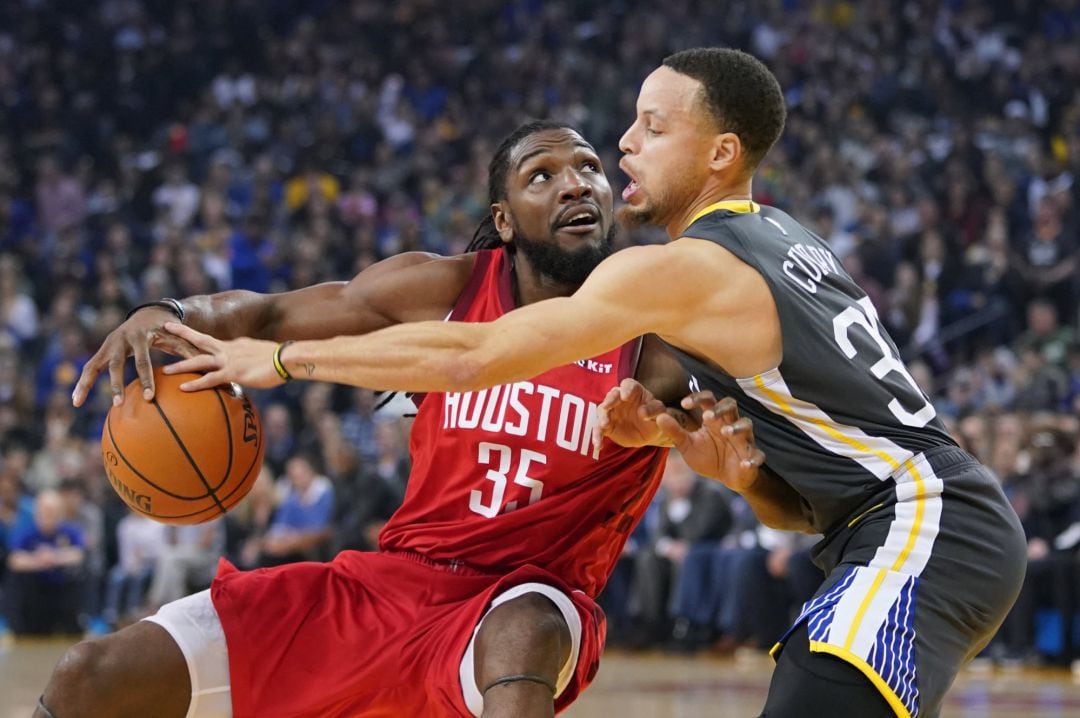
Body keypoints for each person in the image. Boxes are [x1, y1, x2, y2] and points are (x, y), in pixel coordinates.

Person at [169, 49, 1027, 718]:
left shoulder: (686, 269)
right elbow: (798, 504)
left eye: (653, 128)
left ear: (721, 153)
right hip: (914, 527)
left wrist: (278, 362)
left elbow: (474, 357)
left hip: (923, 524)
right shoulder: (785, 237)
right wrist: (728, 471)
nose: (624, 145)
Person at [43, 121, 760, 718]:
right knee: (91, 674)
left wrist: (692, 445)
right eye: (541, 174)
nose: (575, 182)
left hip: (525, 602)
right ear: (503, 220)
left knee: (526, 626)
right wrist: (163, 314)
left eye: (589, 168)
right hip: (387, 587)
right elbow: (267, 313)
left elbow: (749, 453)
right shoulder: (441, 290)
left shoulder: (658, 336)